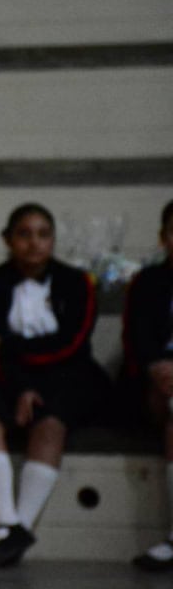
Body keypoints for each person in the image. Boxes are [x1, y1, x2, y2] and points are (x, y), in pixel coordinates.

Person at [0, 202, 109, 567]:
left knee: (52, 419)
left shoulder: (78, 283)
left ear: (53, 240)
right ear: (7, 240)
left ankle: (18, 527)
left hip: (67, 372)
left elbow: (71, 345)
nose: (34, 243)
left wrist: (10, 346)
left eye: (43, 234)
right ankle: (7, 523)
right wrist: (21, 385)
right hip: (7, 376)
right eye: (24, 234)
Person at [123, 200, 173, 571]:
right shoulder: (148, 282)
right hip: (160, 381)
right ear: (162, 237)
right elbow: (136, 338)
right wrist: (157, 367)